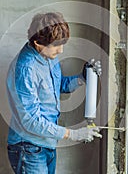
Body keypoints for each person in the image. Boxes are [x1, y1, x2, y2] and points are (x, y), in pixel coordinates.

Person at [6, 12, 102, 174]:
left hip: (46, 142)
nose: (61, 50)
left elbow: (56, 86)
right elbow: (30, 121)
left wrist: (82, 77)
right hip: (29, 148)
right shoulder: (26, 69)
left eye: (62, 44)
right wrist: (73, 134)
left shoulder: (48, 56)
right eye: (56, 45)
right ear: (38, 43)